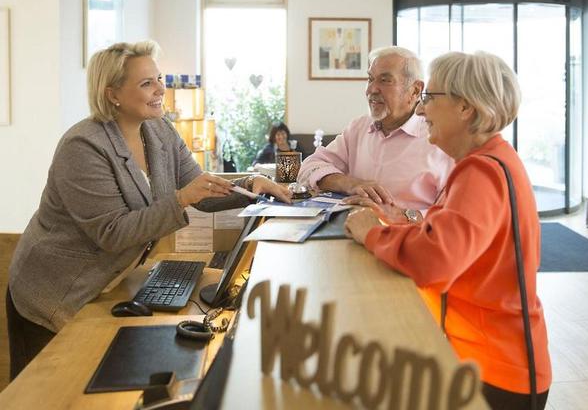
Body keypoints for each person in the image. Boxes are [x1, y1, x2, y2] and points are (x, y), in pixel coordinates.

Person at [6, 41, 291, 380]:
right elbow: (113, 232)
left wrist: (250, 185)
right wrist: (181, 198)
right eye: (146, 83)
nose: (160, 89)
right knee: (45, 393)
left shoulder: (159, 129)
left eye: (159, 79)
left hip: (107, 283)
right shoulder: (83, 147)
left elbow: (198, 190)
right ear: (112, 93)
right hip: (53, 293)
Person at [344, 51, 552, 409]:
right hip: (493, 359)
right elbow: (449, 236)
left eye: (429, 97)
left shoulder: (481, 172)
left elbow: (435, 259)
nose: (421, 110)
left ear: (465, 108)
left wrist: (370, 232)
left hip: (497, 369)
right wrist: (398, 220)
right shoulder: (490, 159)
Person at [297, 46, 453, 221]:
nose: (371, 89)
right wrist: (350, 183)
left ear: (415, 90)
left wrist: (405, 216)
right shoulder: (359, 128)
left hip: (410, 234)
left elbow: (457, 214)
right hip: (350, 230)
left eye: (385, 80)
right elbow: (309, 167)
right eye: (370, 79)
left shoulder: (441, 138)